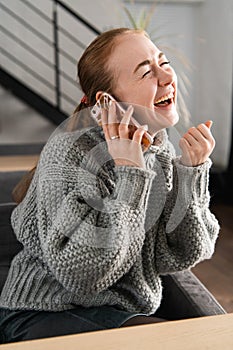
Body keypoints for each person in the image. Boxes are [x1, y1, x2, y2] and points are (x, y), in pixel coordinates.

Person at [0, 27, 219, 343]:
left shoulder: (159, 147)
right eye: (145, 72)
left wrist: (192, 172)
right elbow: (83, 276)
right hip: (44, 312)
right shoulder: (70, 154)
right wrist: (131, 174)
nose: (167, 77)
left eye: (164, 62)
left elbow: (183, 254)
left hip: (121, 309)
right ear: (106, 102)